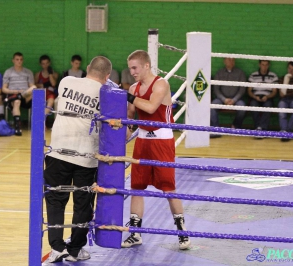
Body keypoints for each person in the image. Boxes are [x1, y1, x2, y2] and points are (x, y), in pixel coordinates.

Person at [42, 56, 112, 264]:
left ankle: (56, 247)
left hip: (59, 152)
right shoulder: (106, 93)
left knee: (56, 200)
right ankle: (74, 249)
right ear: (107, 76)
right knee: (83, 203)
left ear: (88, 68)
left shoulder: (66, 82)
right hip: (86, 156)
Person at [123, 50, 190, 250]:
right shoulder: (134, 88)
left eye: (135, 68)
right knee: (137, 186)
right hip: (142, 141)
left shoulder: (161, 84)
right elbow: (130, 114)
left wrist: (127, 96)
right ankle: (135, 233)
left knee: (168, 187)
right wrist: (126, 129)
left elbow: (151, 107)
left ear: (146, 65)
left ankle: (182, 232)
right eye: (130, 68)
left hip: (162, 141)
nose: (132, 72)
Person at [210, 58, 247, 137]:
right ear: (224, 61)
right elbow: (216, 89)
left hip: (236, 99)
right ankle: (216, 129)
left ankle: (236, 126)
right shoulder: (219, 73)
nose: (231, 61)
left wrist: (234, 100)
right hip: (221, 98)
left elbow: (242, 89)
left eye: (233, 60)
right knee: (212, 106)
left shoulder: (240, 73)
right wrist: (224, 99)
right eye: (229, 60)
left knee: (242, 108)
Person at [2, 52, 36, 136]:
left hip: (25, 95)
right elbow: (4, 89)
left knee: (35, 88)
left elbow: (32, 87)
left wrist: (23, 93)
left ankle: (20, 96)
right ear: (13, 60)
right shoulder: (8, 72)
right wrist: (14, 92)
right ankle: (17, 127)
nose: (19, 61)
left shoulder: (28, 72)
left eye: (21, 59)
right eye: (17, 59)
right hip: (13, 95)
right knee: (17, 101)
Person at [247, 60, 278, 138]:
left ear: (269, 65)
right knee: (253, 105)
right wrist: (255, 97)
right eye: (263, 64)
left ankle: (262, 129)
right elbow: (249, 90)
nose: (264, 67)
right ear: (259, 65)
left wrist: (267, 97)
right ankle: (259, 128)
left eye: (266, 65)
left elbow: (274, 91)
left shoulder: (273, 76)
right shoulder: (253, 75)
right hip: (255, 96)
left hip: (268, 97)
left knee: (268, 105)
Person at [34, 55, 58, 128]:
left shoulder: (54, 74)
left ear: (49, 63)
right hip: (41, 93)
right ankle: (39, 122)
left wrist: (50, 74)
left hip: (50, 93)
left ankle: (42, 120)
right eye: (43, 63)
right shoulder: (38, 74)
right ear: (40, 64)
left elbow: (53, 83)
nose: (45, 65)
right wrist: (45, 85)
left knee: (51, 101)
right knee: (39, 101)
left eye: (47, 63)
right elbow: (35, 85)